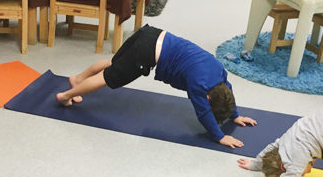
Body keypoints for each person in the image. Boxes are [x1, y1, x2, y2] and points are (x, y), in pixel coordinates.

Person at [55, 25, 257, 149]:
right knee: (107, 78)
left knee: (113, 63)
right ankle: (65, 95)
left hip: (151, 34)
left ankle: (77, 79)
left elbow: (228, 89)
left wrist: (235, 115)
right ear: (209, 97)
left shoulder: (220, 72)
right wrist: (219, 137)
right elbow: (203, 113)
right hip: (146, 52)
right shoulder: (200, 86)